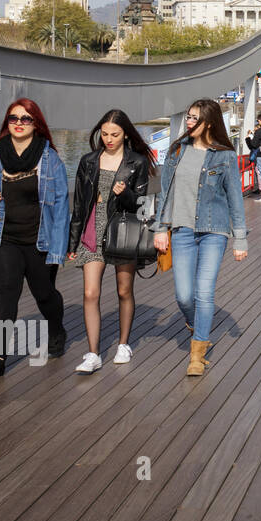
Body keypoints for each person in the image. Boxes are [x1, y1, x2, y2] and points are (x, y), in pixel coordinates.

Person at [0, 98, 69, 382]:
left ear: (35, 123)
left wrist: (59, 250)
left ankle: (56, 329)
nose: (18, 123)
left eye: (25, 119)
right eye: (13, 118)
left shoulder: (50, 158)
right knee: (5, 295)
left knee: (45, 295)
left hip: (39, 240)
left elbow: (61, 205)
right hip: (2, 238)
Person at [152, 98, 248, 377]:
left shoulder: (225, 156)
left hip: (213, 231)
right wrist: (160, 228)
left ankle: (197, 355)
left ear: (209, 122)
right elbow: (165, 193)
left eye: (194, 118)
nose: (189, 122)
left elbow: (235, 200)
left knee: (204, 293)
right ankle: (197, 325)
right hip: (181, 230)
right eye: (188, 117)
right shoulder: (176, 151)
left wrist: (239, 240)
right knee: (184, 296)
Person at [67, 109, 154, 375]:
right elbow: (79, 205)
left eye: (114, 134)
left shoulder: (137, 163)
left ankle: (123, 344)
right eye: (104, 134)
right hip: (93, 231)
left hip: (123, 233)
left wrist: (125, 192)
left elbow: (144, 206)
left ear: (125, 133)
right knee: (90, 293)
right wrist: (73, 243)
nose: (109, 139)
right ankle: (93, 353)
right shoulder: (88, 161)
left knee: (123, 291)